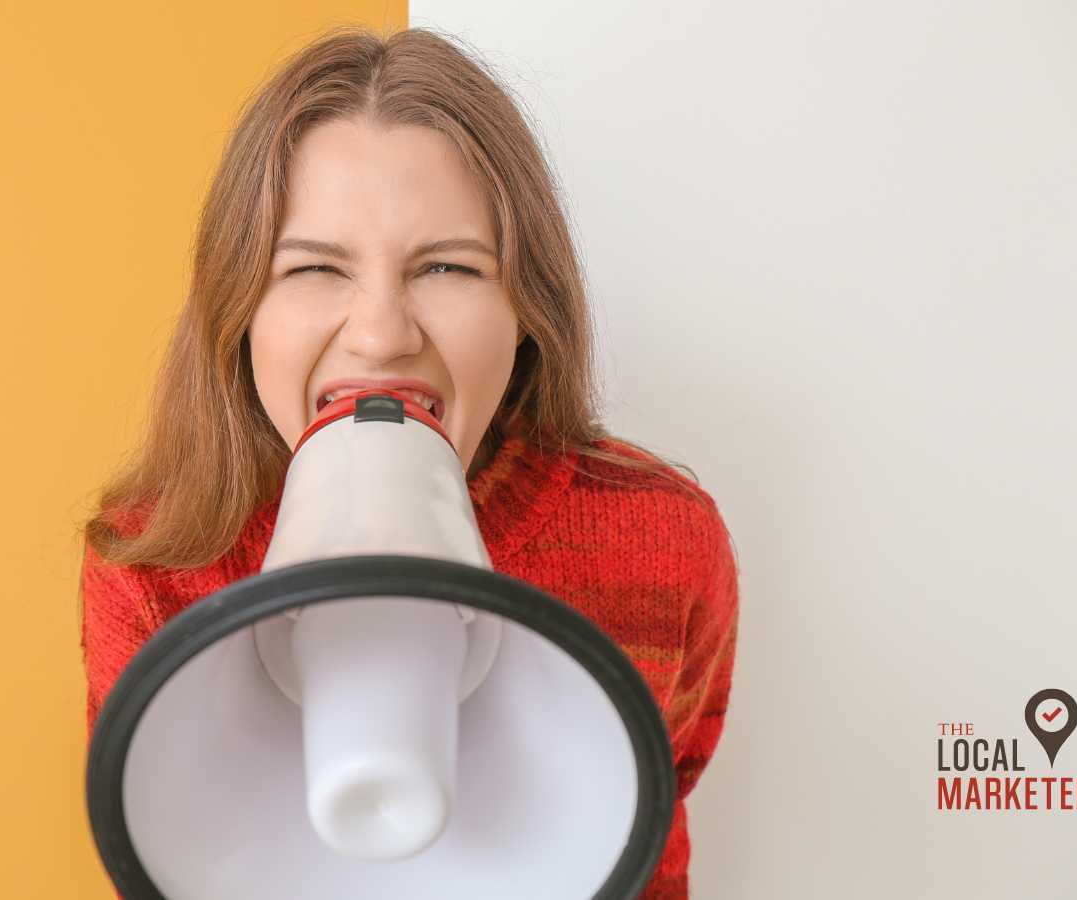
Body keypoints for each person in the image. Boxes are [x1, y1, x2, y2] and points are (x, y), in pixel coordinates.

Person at [79, 25, 740, 900]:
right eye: (314, 268)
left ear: (527, 308)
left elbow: (650, 825)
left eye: (447, 268)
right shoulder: (153, 560)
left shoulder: (661, 541)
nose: (383, 335)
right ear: (239, 311)